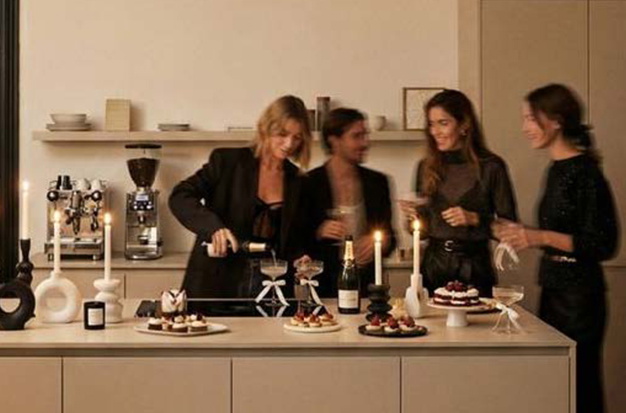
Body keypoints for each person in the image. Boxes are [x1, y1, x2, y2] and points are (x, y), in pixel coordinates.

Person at [494, 84, 621, 413]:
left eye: (529, 118)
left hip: (582, 303)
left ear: (553, 121)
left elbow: (602, 242)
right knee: (563, 412)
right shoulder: (557, 169)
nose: (524, 126)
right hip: (556, 298)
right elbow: (558, 240)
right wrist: (521, 238)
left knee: (585, 412)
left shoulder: (585, 172)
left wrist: (536, 236)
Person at [171, 95, 313, 298]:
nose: (289, 143)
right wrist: (214, 228)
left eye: (297, 137)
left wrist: (301, 257)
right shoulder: (227, 162)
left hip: (271, 289)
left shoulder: (299, 181)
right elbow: (180, 196)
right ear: (266, 128)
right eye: (282, 134)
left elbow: (294, 238)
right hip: (216, 283)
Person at [398, 88, 516, 296]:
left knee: (478, 327)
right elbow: (422, 232)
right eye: (431, 124)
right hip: (433, 267)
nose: (435, 131)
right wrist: (412, 216)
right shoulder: (425, 167)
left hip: (475, 268)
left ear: (464, 125)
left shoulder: (492, 167)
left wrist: (475, 219)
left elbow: (511, 230)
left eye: (443, 123)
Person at [301, 107, 397, 294]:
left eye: (365, 135)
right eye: (357, 136)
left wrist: (379, 242)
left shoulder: (378, 183)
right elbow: (295, 240)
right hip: (322, 288)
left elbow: (391, 238)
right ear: (334, 140)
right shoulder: (309, 183)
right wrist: (319, 231)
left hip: (368, 288)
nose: (365, 143)